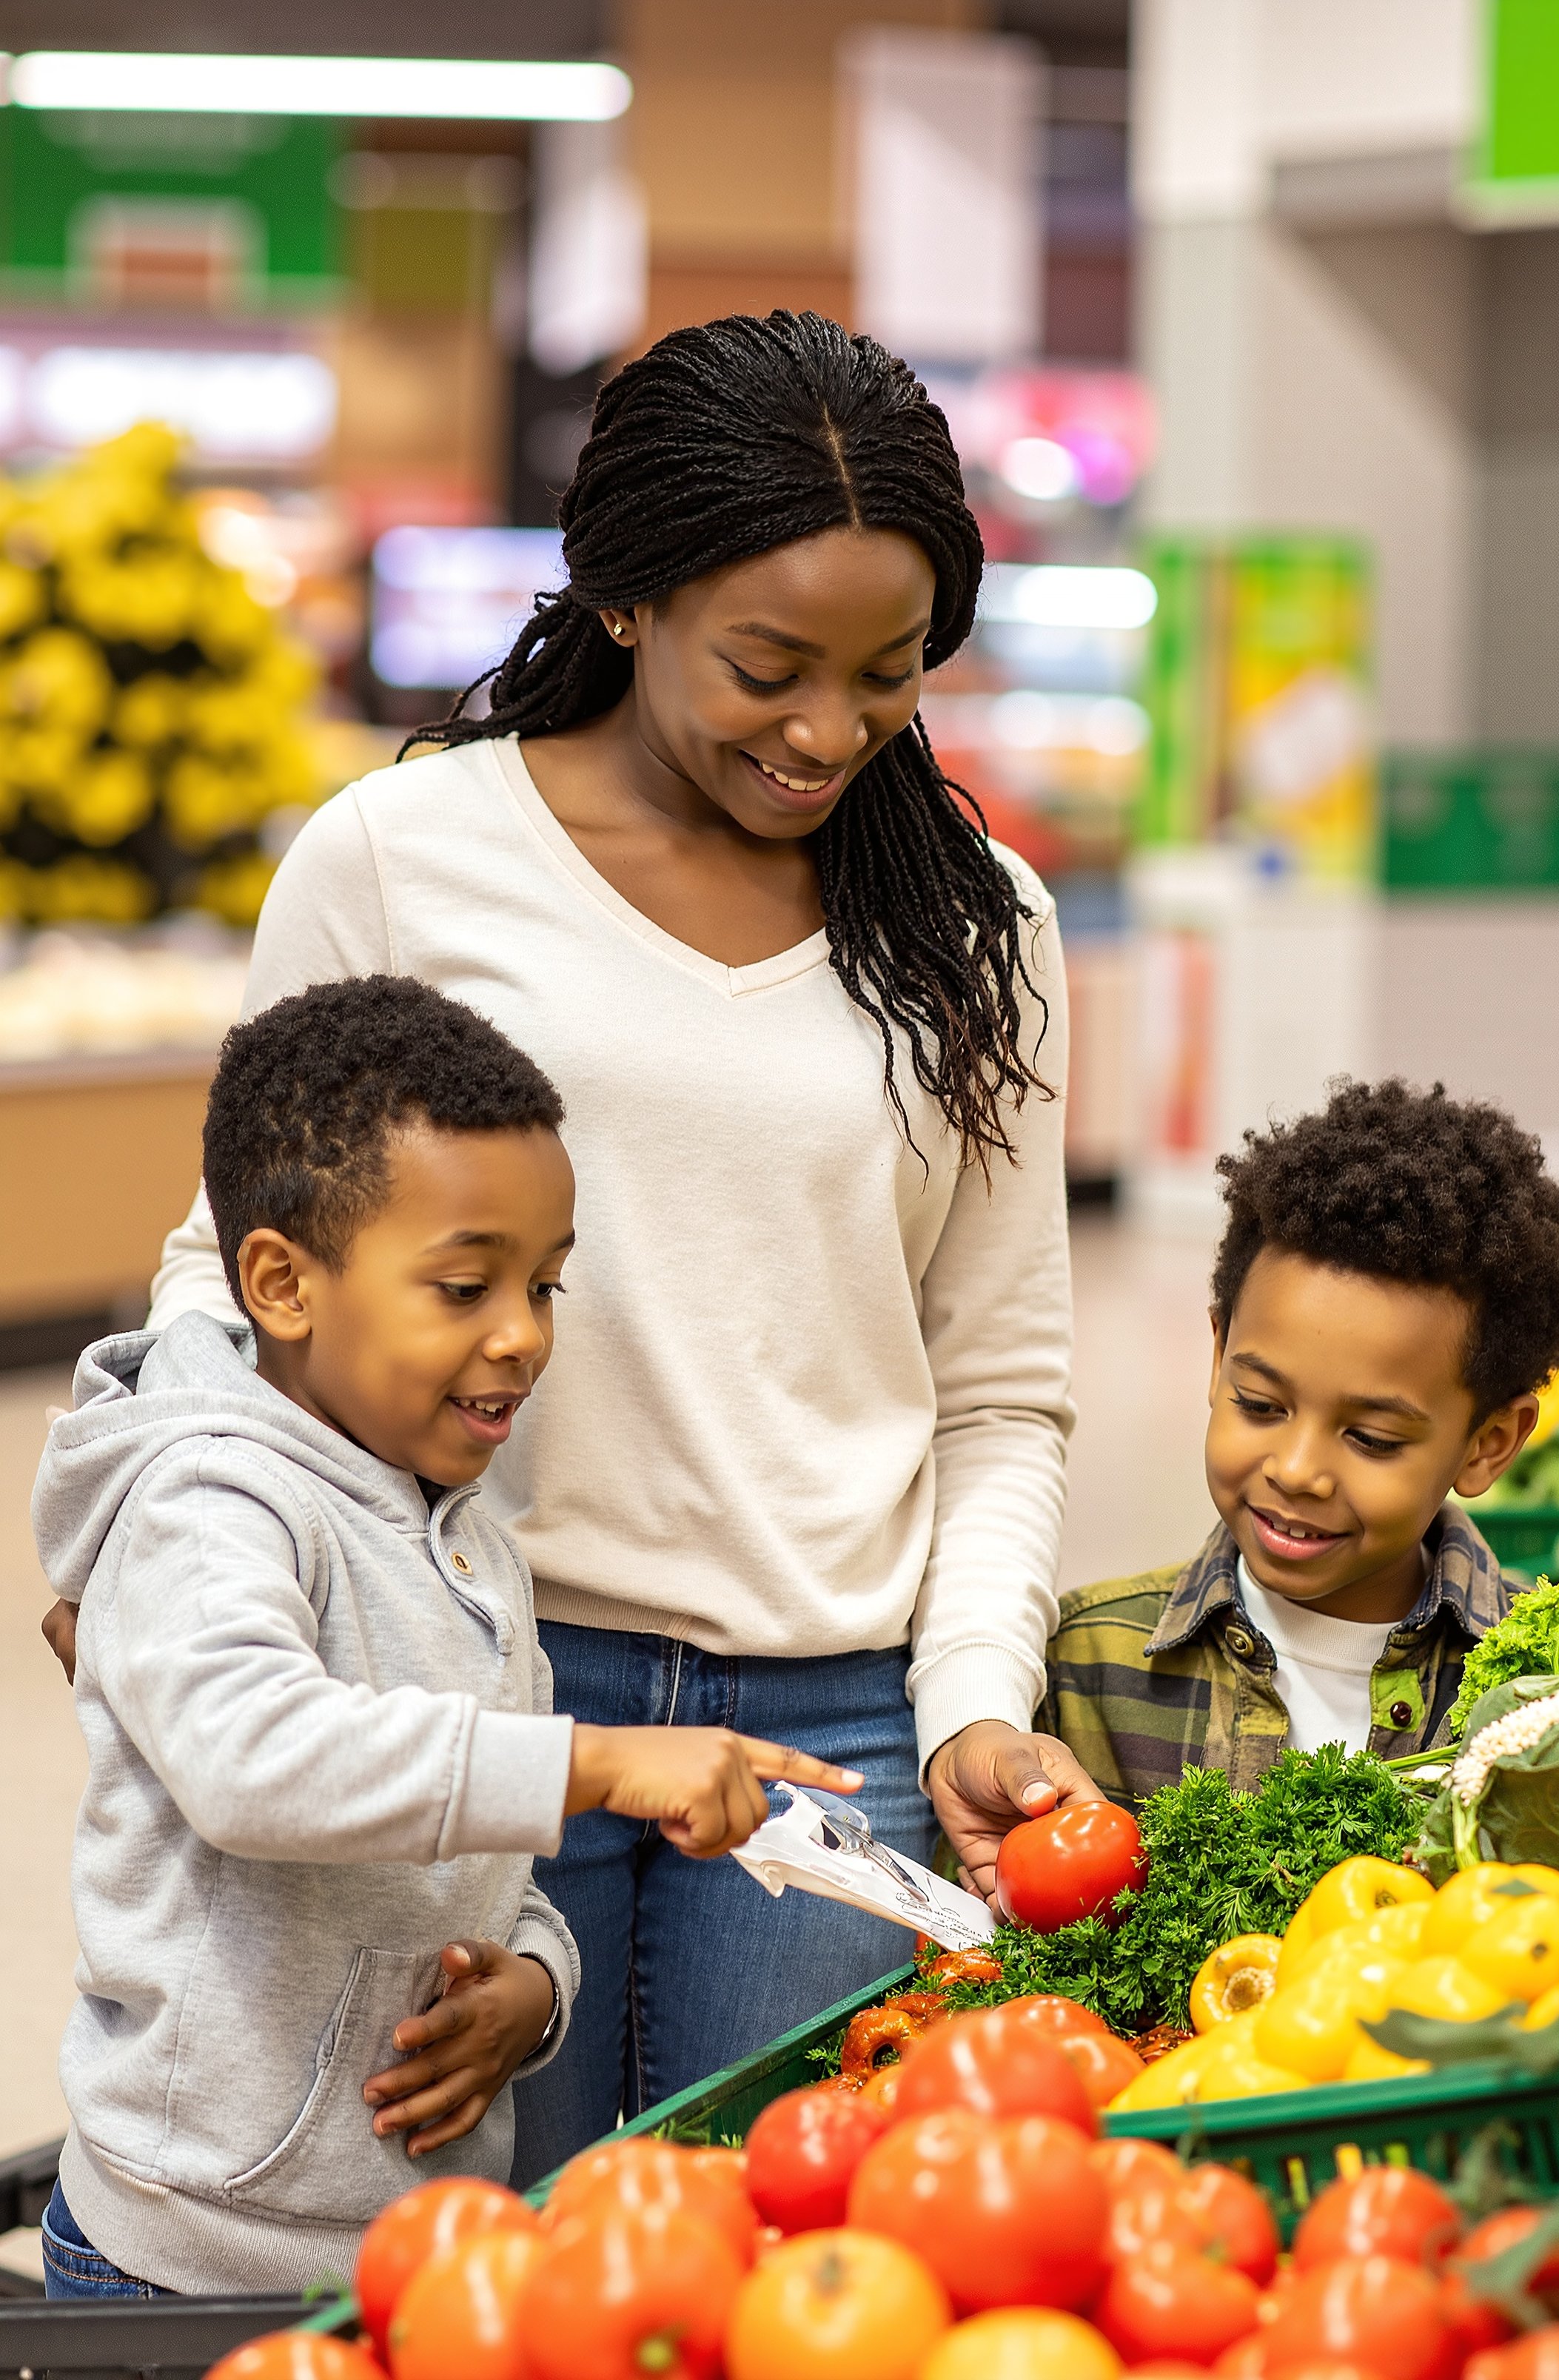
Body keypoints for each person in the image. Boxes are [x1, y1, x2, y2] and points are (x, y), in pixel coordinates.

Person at [127, 310, 1097, 2177]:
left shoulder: (981, 928)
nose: (831, 730)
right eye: (771, 665)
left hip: (835, 1735)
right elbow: (226, 1267)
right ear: (628, 598)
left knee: (773, 2275)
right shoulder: (403, 858)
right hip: (457, 1695)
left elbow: (1000, 1385)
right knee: (477, 2275)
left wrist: (976, 1690)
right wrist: (156, 1536)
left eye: (891, 671)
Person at [34, 976, 858, 2299]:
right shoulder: (207, 1501)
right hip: (195, 2263)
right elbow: (251, 1759)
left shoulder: (464, 1538)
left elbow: (477, 1841)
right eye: (467, 1285)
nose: (525, 1335)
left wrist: (536, 1983)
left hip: (416, 2243)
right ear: (281, 1285)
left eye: (546, 1284)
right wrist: (595, 1763)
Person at [1039, 1080, 1559, 1798]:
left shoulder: (1558, 1694)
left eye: (1370, 1438)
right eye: (1261, 1405)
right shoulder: (1084, 1670)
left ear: (1488, 1444)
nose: (1297, 1472)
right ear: (1216, 1359)